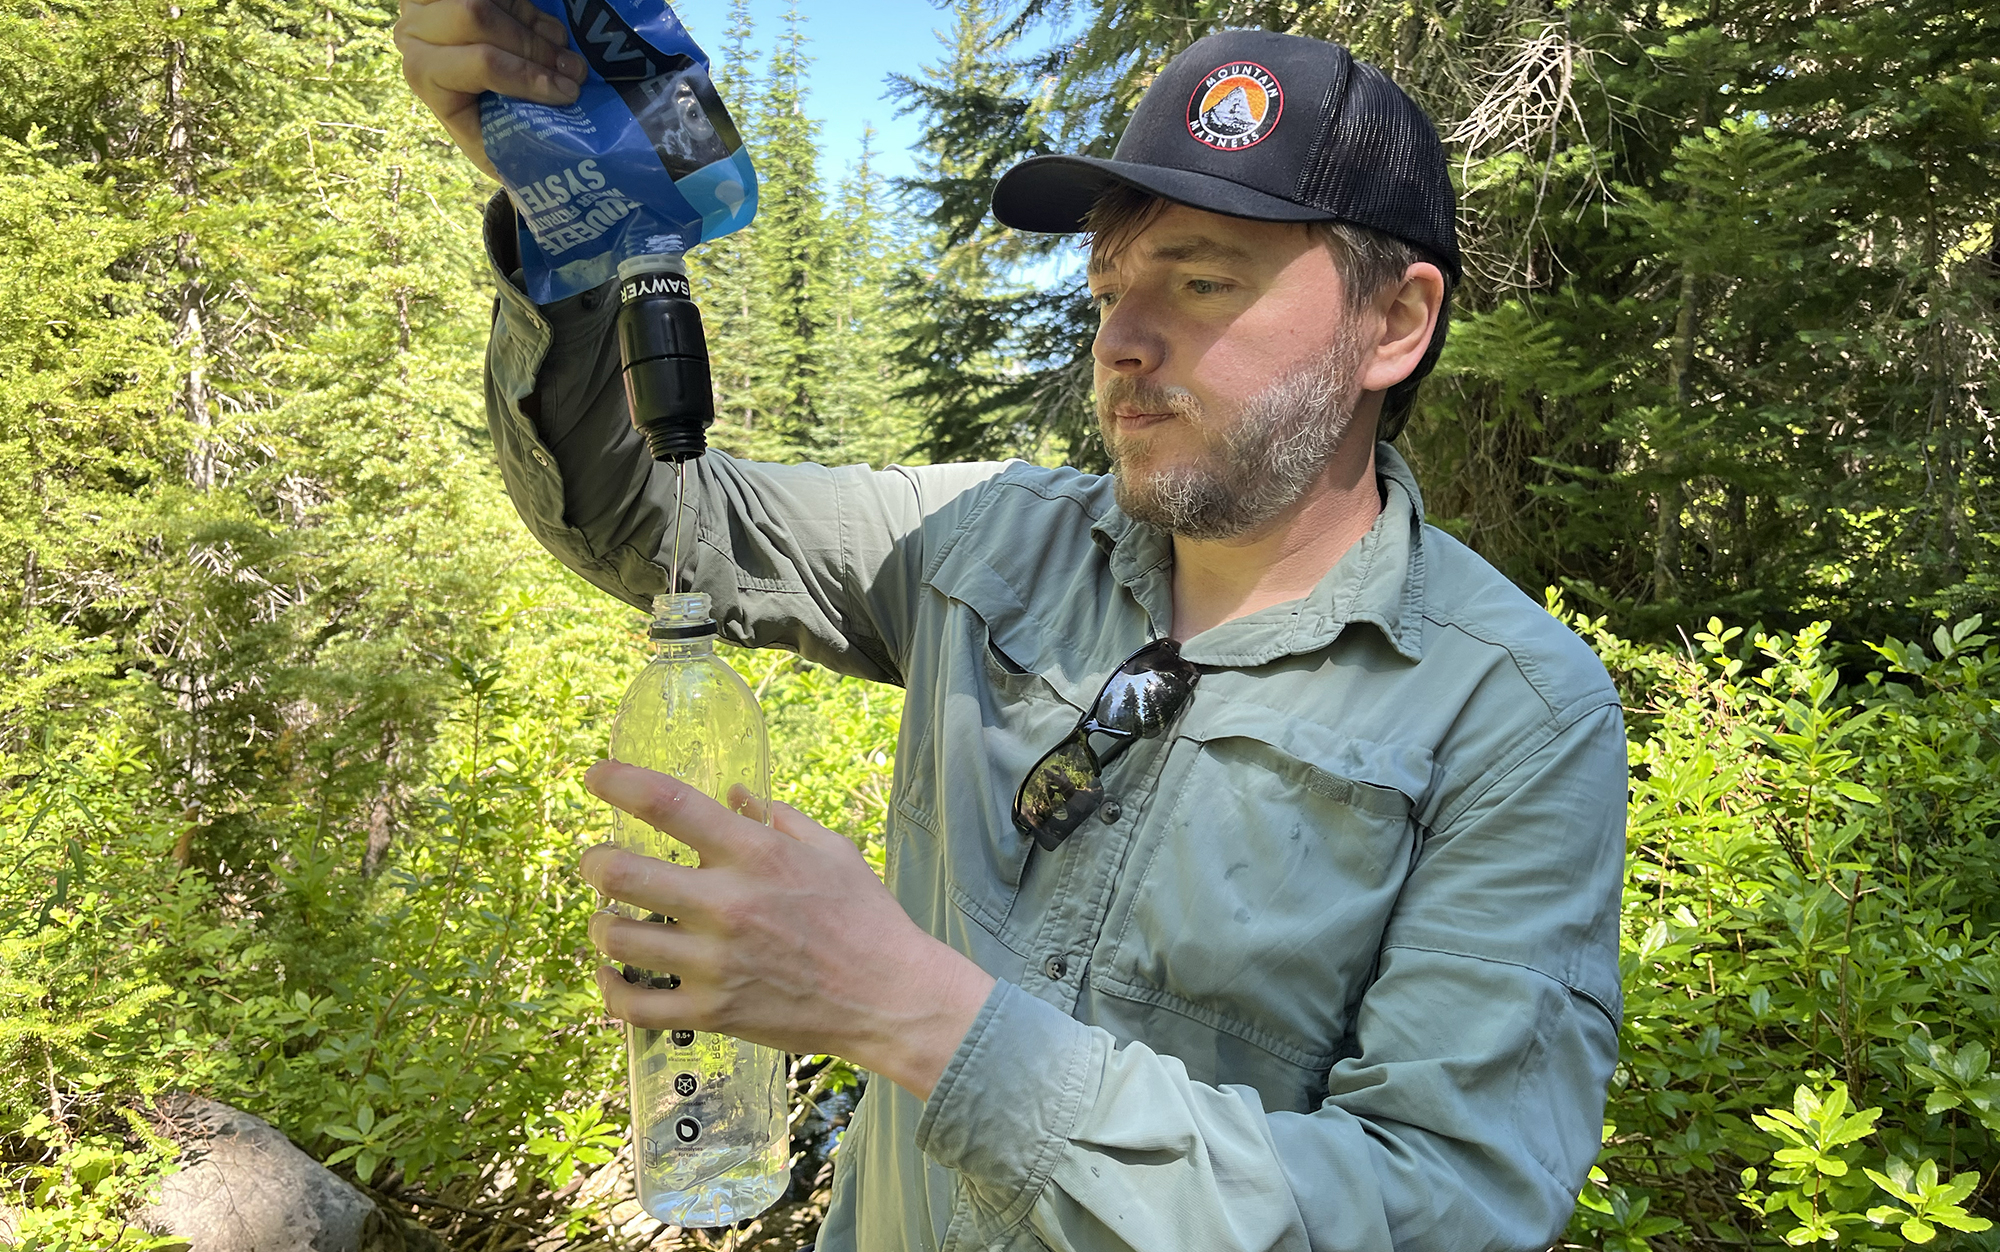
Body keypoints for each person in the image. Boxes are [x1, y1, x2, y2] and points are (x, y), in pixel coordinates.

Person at [393, 9, 1629, 1248]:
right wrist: (567, 209)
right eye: (1107, 287)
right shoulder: (985, 538)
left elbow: (1442, 1207)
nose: (1122, 343)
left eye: (1200, 281)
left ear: (1395, 323)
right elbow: (643, 515)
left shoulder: (1509, 708)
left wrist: (912, 1013)